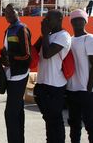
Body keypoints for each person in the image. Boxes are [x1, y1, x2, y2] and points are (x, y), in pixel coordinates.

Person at [33, 9, 71, 143]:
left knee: (55, 120)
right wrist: (43, 35)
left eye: (49, 19)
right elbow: (33, 51)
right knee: (48, 119)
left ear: (60, 19)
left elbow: (47, 54)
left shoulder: (63, 36)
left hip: (55, 85)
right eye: (46, 19)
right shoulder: (47, 36)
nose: (46, 22)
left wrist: (45, 34)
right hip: (43, 83)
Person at [67, 9, 93, 143]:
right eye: (74, 20)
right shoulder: (70, 39)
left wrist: (89, 88)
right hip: (72, 88)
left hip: (87, 90)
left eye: (80, 19)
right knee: (74, 123)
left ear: (85, 22)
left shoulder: (90, 39)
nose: (77, 22)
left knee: (91, 123)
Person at [0, 4, 31, 143]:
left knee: (10, 114)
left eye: (11, 12)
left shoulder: (21, 28)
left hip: (19, 75)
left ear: (18, 12)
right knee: (18, 112)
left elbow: (26, 55)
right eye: (5, 12)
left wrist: (9, 59)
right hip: (11, 74)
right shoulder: (8, 30)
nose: (8, 15)